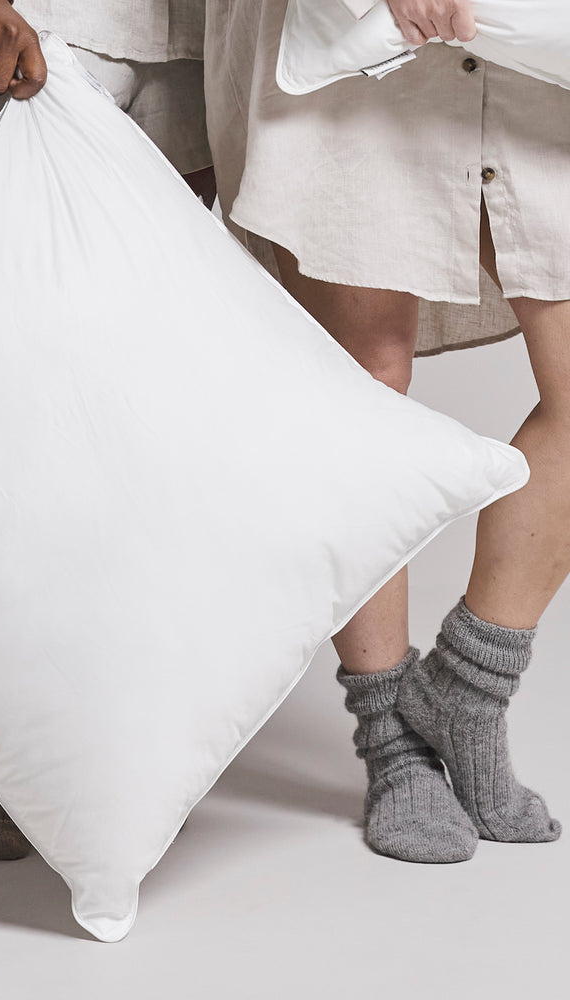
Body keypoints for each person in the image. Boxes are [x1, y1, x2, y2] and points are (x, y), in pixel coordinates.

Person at [203, 0, 566, 861]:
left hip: (532, 46)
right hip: (347, 45)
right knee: (366, 381)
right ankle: (391, 741)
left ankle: (468, 687)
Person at [0, 0, 216, 860]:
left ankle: (117, 738)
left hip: (201, 39)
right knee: (18, 375)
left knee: (142, 393)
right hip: (41, 22)